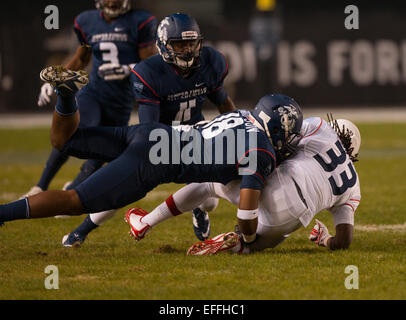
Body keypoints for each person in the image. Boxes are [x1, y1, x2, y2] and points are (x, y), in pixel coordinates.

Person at [0, 66, 303, 249]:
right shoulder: (260, 147)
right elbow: (247, 214)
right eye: (290, 132)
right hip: (152, 160)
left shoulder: (242, 116)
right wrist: (248, 242)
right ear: (278, 128)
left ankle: (67, 97)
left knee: (63, 140)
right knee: (75, 201)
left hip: (149, 133)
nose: (290, 141)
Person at [61, 13, 236, 247]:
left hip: (195, 137)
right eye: (179, 44)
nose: (186, 50)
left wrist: (237, 125)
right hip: (160, 137)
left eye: (190, 43)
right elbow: (149, 129)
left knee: (210, 200)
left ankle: (197, 209)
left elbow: (223, 101)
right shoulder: (149, 72)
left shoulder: (210, 62)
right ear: (164, 45)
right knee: (125, 186)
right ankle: (81, 231)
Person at [128, 114, 361, 255]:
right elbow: (344, 240)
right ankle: (239, 244)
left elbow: (282, 135)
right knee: (260, 245)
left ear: (336, 128)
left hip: (282, 185)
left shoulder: (323, 128)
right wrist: (325, 240)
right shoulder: (354, 186)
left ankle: (146, 222)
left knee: (210, 183)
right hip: (294, 218)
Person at [22, 0, 157, 221]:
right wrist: (56, 80)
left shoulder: (141, 21)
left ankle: (71, 190)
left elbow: (150, 63)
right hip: (93, 92)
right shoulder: (86, 21)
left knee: (102, 149)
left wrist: (127, 68)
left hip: (122, 100)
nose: (113, 1)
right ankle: (40, 186)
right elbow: (81, 58)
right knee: (73, 132)